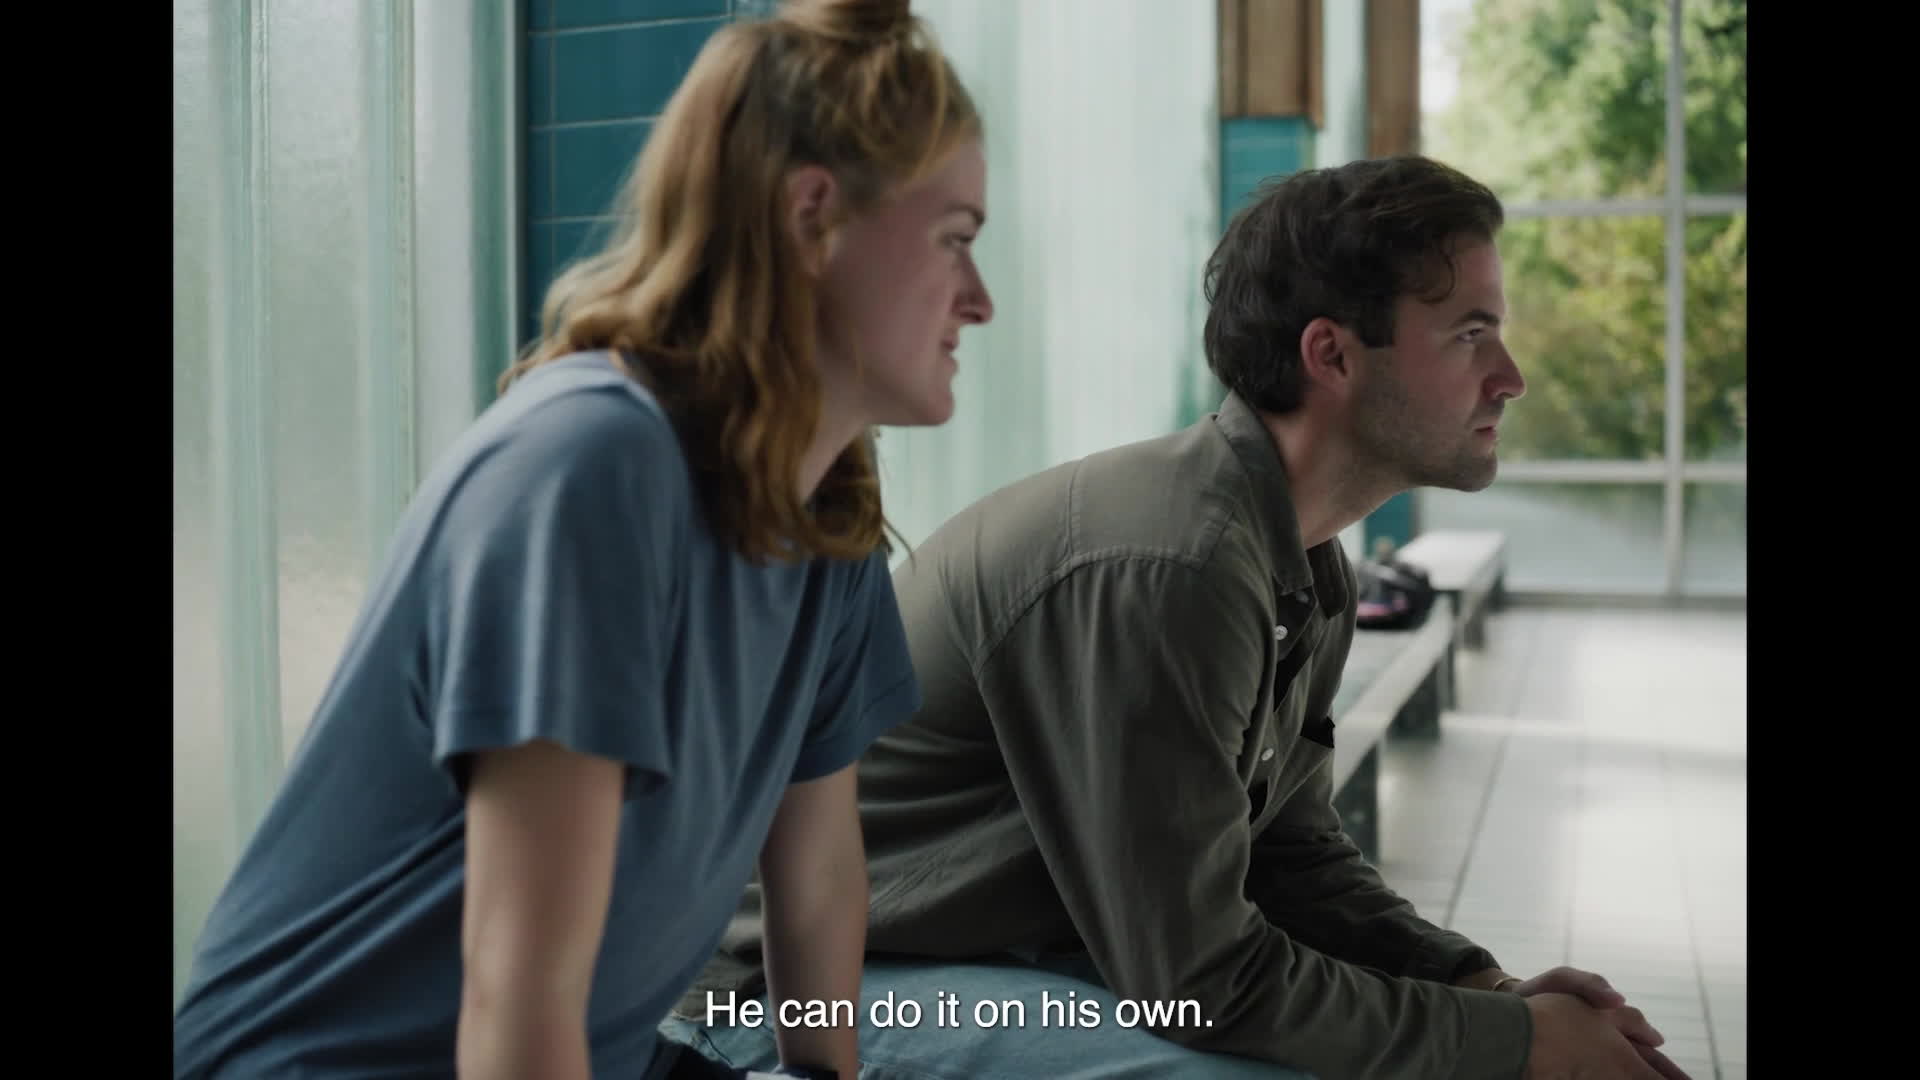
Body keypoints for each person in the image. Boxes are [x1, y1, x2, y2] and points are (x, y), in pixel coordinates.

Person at [671, 156, 1691, 1079]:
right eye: (1470, 335)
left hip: (975, 959)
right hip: (795, 1001)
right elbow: (1200, 982)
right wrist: (1516, 1048)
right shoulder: (1174, 567)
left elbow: (1288, 855)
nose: (1509, 378)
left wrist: (1481, 986)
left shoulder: (1301, 563)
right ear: (1332, 355)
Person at [171, 0, 992, 1075]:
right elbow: (518, 997)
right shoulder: (591, 471)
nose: (978, 301)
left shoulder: (827, 512)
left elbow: (819, 879)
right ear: (813, 217)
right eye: (954, 240)